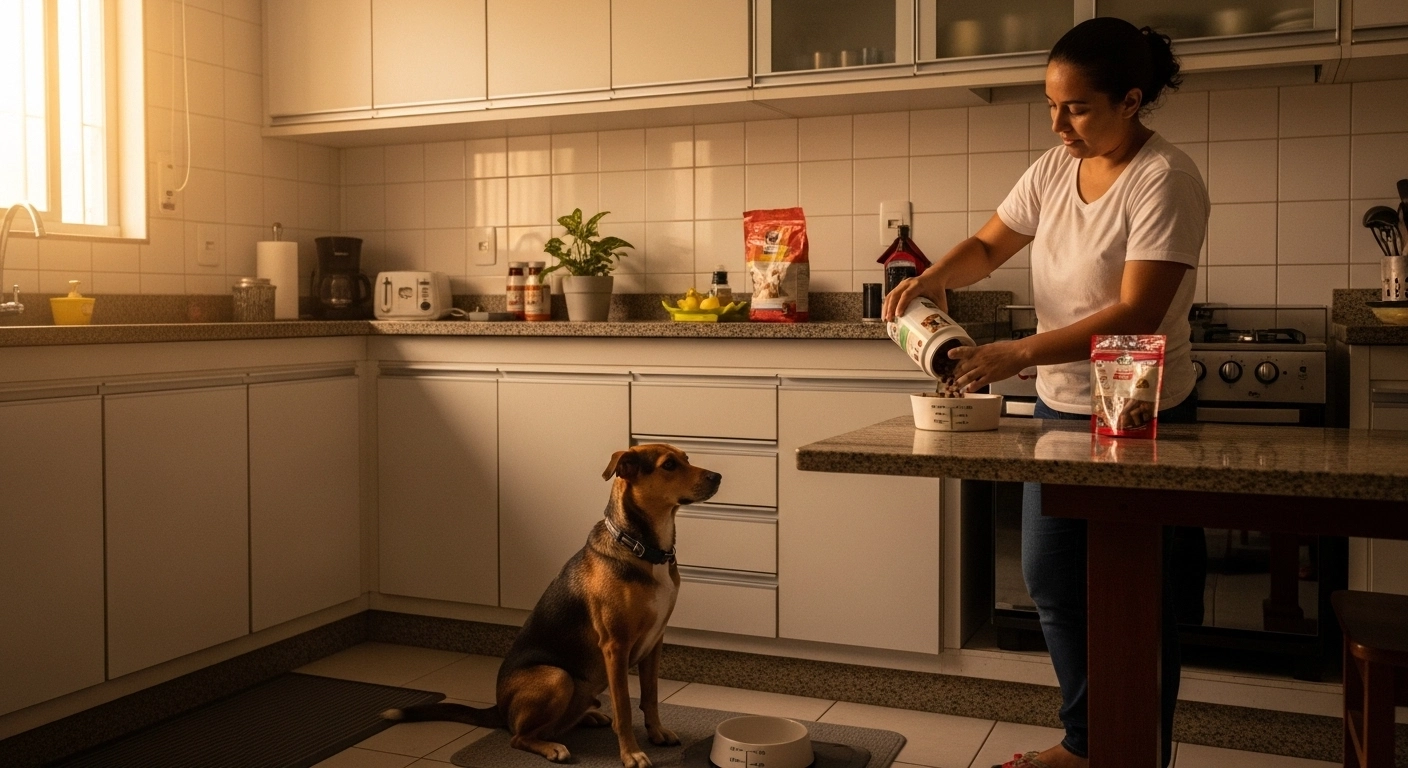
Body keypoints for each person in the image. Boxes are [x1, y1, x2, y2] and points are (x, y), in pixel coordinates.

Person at [883, 17, 1209, 768]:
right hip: (1063, 403)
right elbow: (992, 244)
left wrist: (1016, 352)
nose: (1059, 124)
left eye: (1078, 107)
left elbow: (1137, 313)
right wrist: (930, 277)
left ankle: (1136, 752)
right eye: (1051, 105)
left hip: (1140, 406)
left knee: (1140, 596)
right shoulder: (1056, 167)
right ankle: (1088, 742)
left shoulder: (1167, 179)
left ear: (1131, 100)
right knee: (1054, 581)